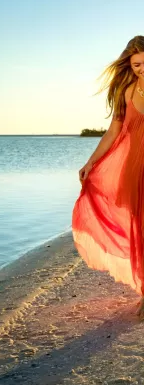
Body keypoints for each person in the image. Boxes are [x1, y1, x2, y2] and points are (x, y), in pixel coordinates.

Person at [72, 35, 144, 318]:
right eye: (137, 64)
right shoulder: (125, 90)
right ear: (129, 64)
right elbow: (113, 132)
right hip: (135, 170)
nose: (142, 68)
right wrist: (91, 162)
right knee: (139, 229)